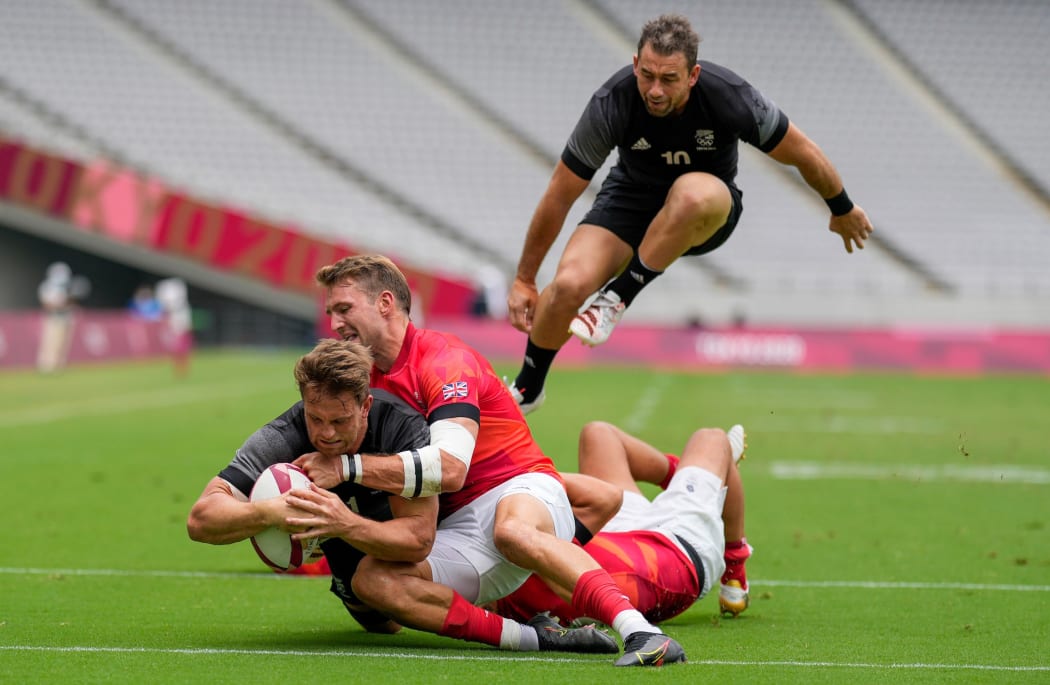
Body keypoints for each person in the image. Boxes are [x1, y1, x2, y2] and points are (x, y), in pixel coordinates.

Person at [296, 254, 684, 666]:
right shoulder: (360, 385)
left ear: (385, 304)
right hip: (455, 528)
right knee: (371, 582)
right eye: (331, 312)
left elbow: (449, 468)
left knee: (512, 530)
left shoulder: (444, 360)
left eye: (344, 309)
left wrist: (345, 470)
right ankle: (537, 639)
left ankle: (642, 632)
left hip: (519, 489)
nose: (335, 323)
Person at [506, 13, 875, 413]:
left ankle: (617, 297)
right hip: (630, 202)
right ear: (634, 64)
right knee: (566, 287)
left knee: (689, 195)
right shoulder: (612, 102)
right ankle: (527, 392)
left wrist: (842, 207)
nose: (655, 90)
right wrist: (525, 278)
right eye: (647, 75)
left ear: (693, 74)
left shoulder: (729, 96)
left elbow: (802, 151)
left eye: (669, 79)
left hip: (706, 209)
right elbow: (560, 193)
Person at [187, 337, 602, 650]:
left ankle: (531, 635)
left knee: (388, 583)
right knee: (376, 622)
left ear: (365, 406)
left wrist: (342, 522)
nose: (326, 433)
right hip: (350, 553)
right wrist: (273, 512)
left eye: (340, 420)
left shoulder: (402, 429)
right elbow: (202, 518)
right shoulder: (285, 435)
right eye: (316, 419)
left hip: (415, 534)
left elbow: (418, 540)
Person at [495, 422, 752, 628]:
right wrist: (526, 481)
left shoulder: (478, 569)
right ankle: (734, 572)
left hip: (612, 538)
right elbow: (605, 498)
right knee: (712, 440)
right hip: (676, 553)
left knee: (598, 435)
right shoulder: (505, 539)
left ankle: (695, 477)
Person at [36, 261, 75, 374]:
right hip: (53, 317)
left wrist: (67, 304)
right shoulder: (47, 286)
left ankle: (59, 365)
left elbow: (69, 302)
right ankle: (46, 366)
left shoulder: (66, 287)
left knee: (62, 343)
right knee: (50, 341)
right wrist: (58, 306)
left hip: (65, 317)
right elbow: (46, 303)